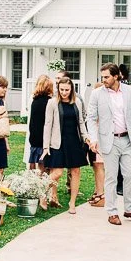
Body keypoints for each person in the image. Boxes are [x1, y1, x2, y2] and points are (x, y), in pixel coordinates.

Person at [86, 63, 131, 226]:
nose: (103, 80)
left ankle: (129, 209)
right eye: (102, 77)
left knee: (129, 175)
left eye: (106, 77)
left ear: (116, 76)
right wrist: (93, 138)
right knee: (111, 177)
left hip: (127, 139)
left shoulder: (129, 91)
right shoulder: (97, 94)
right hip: (108, 141)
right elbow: (90, 118)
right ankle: (112, 212)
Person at [42, 76, 89, 214]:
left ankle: (72, 203)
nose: (64, 92)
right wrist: (46, 147)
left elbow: (81, 122)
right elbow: (47, 125)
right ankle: (41, 194)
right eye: (61, 89)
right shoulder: (52, 103)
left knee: (75, 171)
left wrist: (86, 137)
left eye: (67, 90)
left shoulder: (77, 103)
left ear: (71, 89)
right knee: (57, 172)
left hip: (74, 142)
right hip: (58, 143)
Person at [27, 75, 54, 172]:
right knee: (43, 166)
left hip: (34, 137)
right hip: (43, 138)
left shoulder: (34, 101)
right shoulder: (49, 102)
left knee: (34, 164)